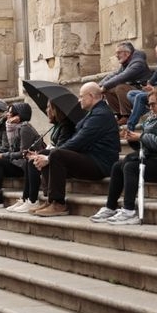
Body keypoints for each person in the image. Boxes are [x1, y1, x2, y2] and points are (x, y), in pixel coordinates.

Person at [90, 85, 157, 225]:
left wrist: (141, 137)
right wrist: (132, 139)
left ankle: (129, 211)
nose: (150, 108)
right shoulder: (156, 118)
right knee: (118, 166)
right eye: (149, 105)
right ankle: (110, 207)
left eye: (153, 104)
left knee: (132, 167)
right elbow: (146, 144)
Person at [33, 82, 120, 217]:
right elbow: (77, 140)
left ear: (91, 96)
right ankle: (50, 200)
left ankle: (59, 203)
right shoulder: (93, 113)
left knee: (55, 154)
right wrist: (47, 156)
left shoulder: (101, 115)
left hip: (100, 164)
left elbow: (79, 141)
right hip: (90, 158)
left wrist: (50, 158)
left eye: (81, 97)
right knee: (45, 152)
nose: (78, 100)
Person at [7, 101, 76, 213]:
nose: (46, 110)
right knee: (32, 159)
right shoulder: (57, 125)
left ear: (55, 110)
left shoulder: (65, 126)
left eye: (49, 107)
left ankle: (32, 200)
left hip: (63, 159)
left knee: (31, 161)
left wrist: (41, 154)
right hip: (56, 154)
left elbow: (62, 147)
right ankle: (27, 199)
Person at [0, 102, 39, 207]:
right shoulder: (14, 127)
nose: (7, 114)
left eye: (10, 112)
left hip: (23, 164)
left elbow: (23, 153)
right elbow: (12, 149)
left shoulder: (25, 128)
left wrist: (4, 155)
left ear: (19, 114)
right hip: (17, 162)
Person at [98, 41, 152, 126]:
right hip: (134, 90)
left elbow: (122, 76)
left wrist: (104, 86)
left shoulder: (138, 63)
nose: (116, 55)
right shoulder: (127, 62)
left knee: (121, 87)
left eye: (119, 53)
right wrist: (99, 86)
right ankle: (120, 116)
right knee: (109, 90)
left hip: (143, 91)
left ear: (127, 53)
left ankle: (126, 116)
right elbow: (115, 74)